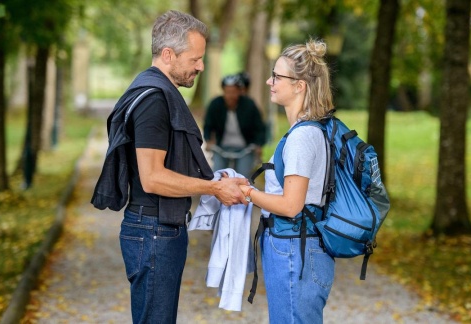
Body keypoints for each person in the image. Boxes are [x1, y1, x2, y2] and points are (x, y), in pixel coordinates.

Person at [93, 10, 248, 324]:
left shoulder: (157, 90)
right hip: (152, 232)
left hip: (157, 231)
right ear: (168, 54)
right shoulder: (154, 100)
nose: (201, 66)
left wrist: (214, 178)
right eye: (195, 58)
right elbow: (152, 178)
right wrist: (213, 188)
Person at [238, 39, 336, 323]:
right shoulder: (309, 129)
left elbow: (292, 205)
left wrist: (247, 193)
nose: (270, 81)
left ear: (299, 86)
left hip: (295, 249)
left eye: (277, 76)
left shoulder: (303, 137)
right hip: (299, 246)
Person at [203, 73, 266, 178]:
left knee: (243, 177)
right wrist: (209, 140)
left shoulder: (249, 105)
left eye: (233, 92)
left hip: (244, 149)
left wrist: (258, 145)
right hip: (221, 148)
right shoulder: (215, 104)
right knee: (218, 176)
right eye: (227, 92)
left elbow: (259, 127)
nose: (230, 96)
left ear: (240, 91)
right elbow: (208, 125)